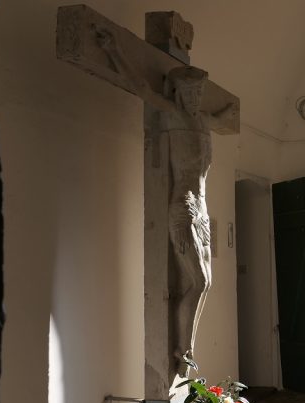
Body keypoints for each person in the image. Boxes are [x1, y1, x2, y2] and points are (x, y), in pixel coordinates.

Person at [96, 28, 234, 375]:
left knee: (206, 283)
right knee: (198, 282)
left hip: (200, 208)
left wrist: (232, 109)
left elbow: (224, 116)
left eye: (197, 92)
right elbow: (139, 87)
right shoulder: (169, 114)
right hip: (182, 206)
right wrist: (112, 49)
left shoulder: (203, 120)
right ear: (177, 91)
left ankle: (187, 348)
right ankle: (182, 350)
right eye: (188, 91)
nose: (192, 97)